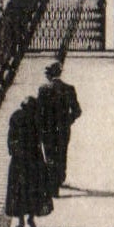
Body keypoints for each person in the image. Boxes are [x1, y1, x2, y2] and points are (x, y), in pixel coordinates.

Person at [5, 95, 50, 227]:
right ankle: (31, 219)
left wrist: (14, 152)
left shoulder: (16, 117)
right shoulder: (37, 118)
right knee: (35, 188)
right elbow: (42, 139)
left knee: (19, 190)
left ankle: (21, 222)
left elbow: (11, 139)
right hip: (35, 159)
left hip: (20, 160)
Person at [37, 61, 82, 195]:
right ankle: (60, 178)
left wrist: (39, 126)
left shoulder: (43, 90)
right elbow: (77, 111)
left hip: (47, 129)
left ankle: (52, 184)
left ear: (49, 75)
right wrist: (68, 120)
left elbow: (39, 111)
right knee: (62, 153)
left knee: (50, 154)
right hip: (63, 129)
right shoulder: (69, 89)